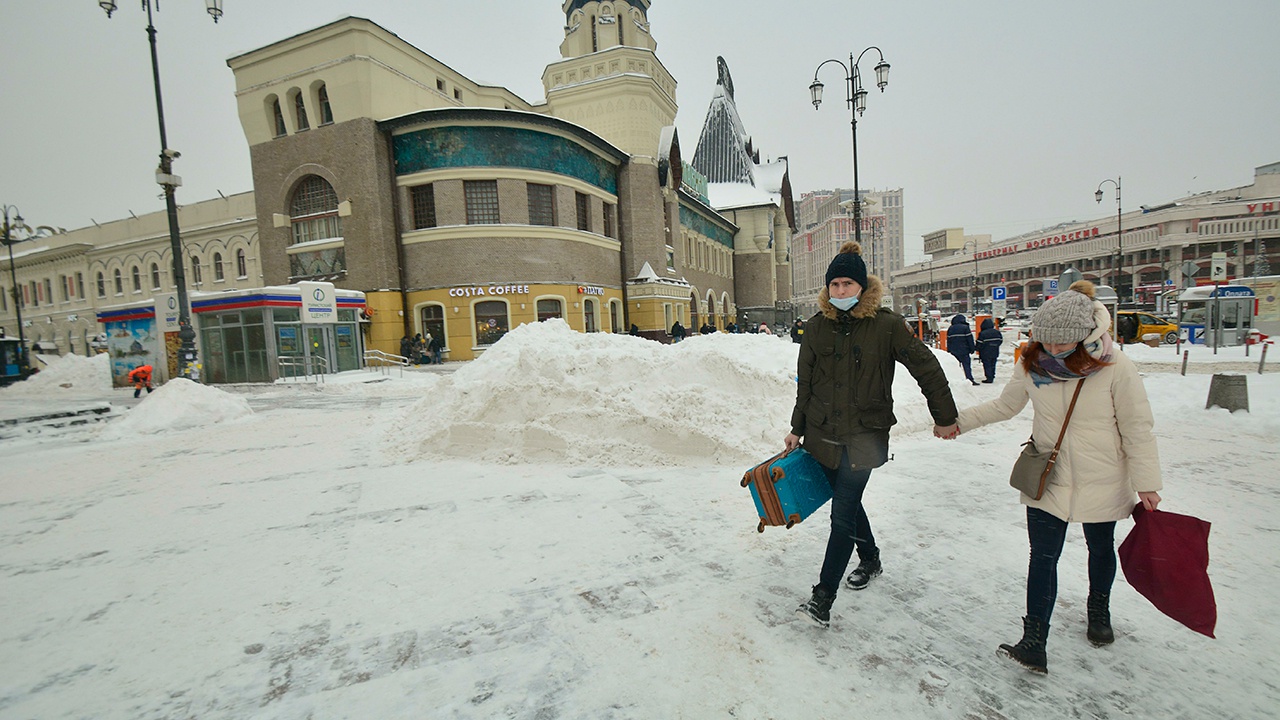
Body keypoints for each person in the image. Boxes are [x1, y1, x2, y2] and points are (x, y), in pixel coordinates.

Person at [952, 280, 1163, 674]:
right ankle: (1034, 641)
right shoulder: (1032, 363)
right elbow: (1004, 406)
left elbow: (1137, 427)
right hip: (1048, 475)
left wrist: (1147, 482)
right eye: (1045, 342)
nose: (1051, 350)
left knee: (1100, 548)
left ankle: (1098, 611)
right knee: (1043, 557)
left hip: (1103, 475)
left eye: (1061, 343)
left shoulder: (1116, 367)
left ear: (1086, 336)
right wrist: (957, 422)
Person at [788, 241, 960, 628]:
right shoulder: (816, 328)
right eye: (834, 285)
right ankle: (870, 558)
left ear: (863, 287)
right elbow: (806, 384)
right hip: (821, 435)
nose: (841, 292)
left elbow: (926, 367)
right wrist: (797, 429)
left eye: (848, 284)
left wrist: (944, 416)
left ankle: (822, 597)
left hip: (864, 436)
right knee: (846, 503)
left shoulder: (886, 326)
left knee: (841, 515)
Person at [946, 314, 979, 385]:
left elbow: (949, 341)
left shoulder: (950, 328)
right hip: (964, 351)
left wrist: (949, 350)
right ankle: (969, 379)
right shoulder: (965, 328)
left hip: (954, 351)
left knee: (956, 367)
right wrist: (972, 349)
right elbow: (969, 339)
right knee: (967, 366)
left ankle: (957, 380)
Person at [976, 318, 1003, 383]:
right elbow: (1000, 340)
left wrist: (977, 349)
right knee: (993, 364)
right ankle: (992, 376)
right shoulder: (997, 332)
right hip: (995, 351)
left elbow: (979, 343)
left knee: (987, 365)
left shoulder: (982, 333)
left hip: (985, 352)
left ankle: (989, 377)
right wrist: (995, 345)